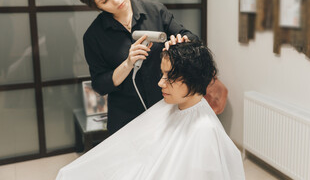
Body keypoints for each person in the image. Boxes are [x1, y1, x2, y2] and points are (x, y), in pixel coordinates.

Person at [56, 41, 245, 180]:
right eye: (162, 74)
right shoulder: (172, 106)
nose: (160, 83)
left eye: (169, 77)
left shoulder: (204, 129)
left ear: (193, 78)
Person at [72, 0, 197, 134]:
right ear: (96, 6)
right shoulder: (93, 37)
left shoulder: (156, 11)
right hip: (125, 119)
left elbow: (191, 38)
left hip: (166, 109)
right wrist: (127, 64)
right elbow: (100, 85)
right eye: (105, 1)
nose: (116, 0)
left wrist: (179, 43)